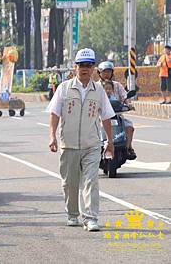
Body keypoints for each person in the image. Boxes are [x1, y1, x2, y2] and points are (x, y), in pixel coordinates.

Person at [47, 48, 115, 232]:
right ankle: (72, 215)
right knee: (70, 183)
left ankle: (91, 218)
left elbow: (106, 116)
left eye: (88, 65)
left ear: (93, 68)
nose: (85, 68)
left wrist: (110, 141)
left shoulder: (99, 90)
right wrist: (52, 136)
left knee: (91, 180)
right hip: (68, 144)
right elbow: (54, 113)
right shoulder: (64, 88)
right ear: (75, 67)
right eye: (81, 65)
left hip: (91, 144)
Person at [97, 61, 136, 160]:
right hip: (99, 117)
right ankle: (93, 149)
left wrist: (129, 104)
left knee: (129, 127)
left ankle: (128, 148)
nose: (106, 74)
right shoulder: (95, 86)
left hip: (117, 115)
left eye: (109, 72)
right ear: (99, 73)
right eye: (104, 72)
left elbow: (124, 96)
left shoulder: (117, 85)